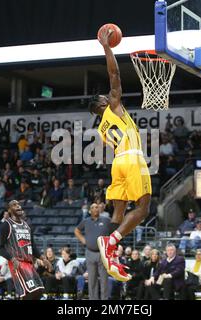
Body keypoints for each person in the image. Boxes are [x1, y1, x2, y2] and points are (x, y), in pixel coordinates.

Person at [91, 27, 152, 282]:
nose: (111, 94)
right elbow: (114, 74)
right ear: (103, 103)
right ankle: (112, 240)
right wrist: (107, 47)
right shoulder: (113, 106)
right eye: (107, 96)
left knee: (118, 212)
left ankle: (112, 258)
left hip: (117, 163)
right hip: (132, 158)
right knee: (143, 208)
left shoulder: (101, 127)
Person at [0, 200, 45, 300]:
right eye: (14, 205)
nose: (18, 206)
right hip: (18, 263)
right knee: (29, 293)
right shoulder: (6, 225)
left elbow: (33, 245)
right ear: (9, 210)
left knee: (39, 291)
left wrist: (42, 258)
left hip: (30, 263)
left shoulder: (27, 225)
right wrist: (12, 259)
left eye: (19, 204)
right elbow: (0, 249)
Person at [74, 203, 110, 300]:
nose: (95, 209)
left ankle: (104, 299)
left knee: (104, 279)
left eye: (97, 207)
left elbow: (115, 231)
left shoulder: (106, 221)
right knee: (92, 279)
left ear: (99, 209)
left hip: (103, 253)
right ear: (90, 211)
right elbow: (76, 230)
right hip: (90, 252)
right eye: (93, 207)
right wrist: (83, 240)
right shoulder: (86, 221)